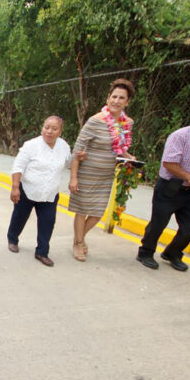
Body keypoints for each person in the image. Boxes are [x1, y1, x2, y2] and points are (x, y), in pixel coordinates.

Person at [137, 98, 190, 271]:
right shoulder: (180, 136)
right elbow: (169, 162)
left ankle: (172, 253)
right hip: (170, 187)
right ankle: (145, 252)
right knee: (158, 223)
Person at [68, 78, 137, 261]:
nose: (116, 101)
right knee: (82, 210)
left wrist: (129, 157)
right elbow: (77, 150)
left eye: (121, 98)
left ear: (127, 101)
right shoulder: (94, 121)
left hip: (106, 175)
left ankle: (79, 239)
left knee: (98, 212)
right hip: (87, 173)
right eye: (114, 96)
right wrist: (73, 177)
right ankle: (78, 243)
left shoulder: (127, 123)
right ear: (108, 99)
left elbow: (120, 147)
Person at [7, 116, 74, 267]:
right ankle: (12, 239)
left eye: (54, 128)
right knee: (19, 217)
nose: (49, 131)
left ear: (60, 131)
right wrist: (15, 187)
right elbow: (18, 166)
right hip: (28, 190)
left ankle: (42, 252)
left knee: (48, 222)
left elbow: (68, 162)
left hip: (49, 193)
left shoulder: (63, 146)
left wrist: (78, 159)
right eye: (46, 127)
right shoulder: (31, 145)